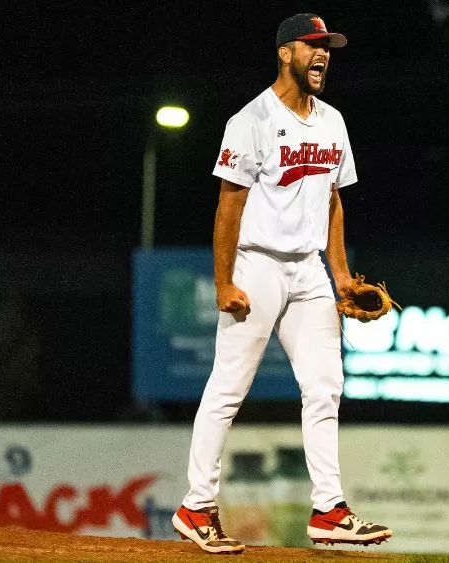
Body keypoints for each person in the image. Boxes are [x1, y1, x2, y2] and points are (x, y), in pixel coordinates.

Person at [170, 13, 393, 555]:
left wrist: (340, 275)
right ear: (284, 53)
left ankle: (329, 512)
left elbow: (334, 200)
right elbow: (229, 206)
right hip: (258, 266)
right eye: (312, 46)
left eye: (328, 48)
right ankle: (195, 507)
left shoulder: (333, 122)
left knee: (325, 387)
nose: (323, 54)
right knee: (229, 388)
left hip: (310, 271)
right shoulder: (251, 120)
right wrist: (224, 281)